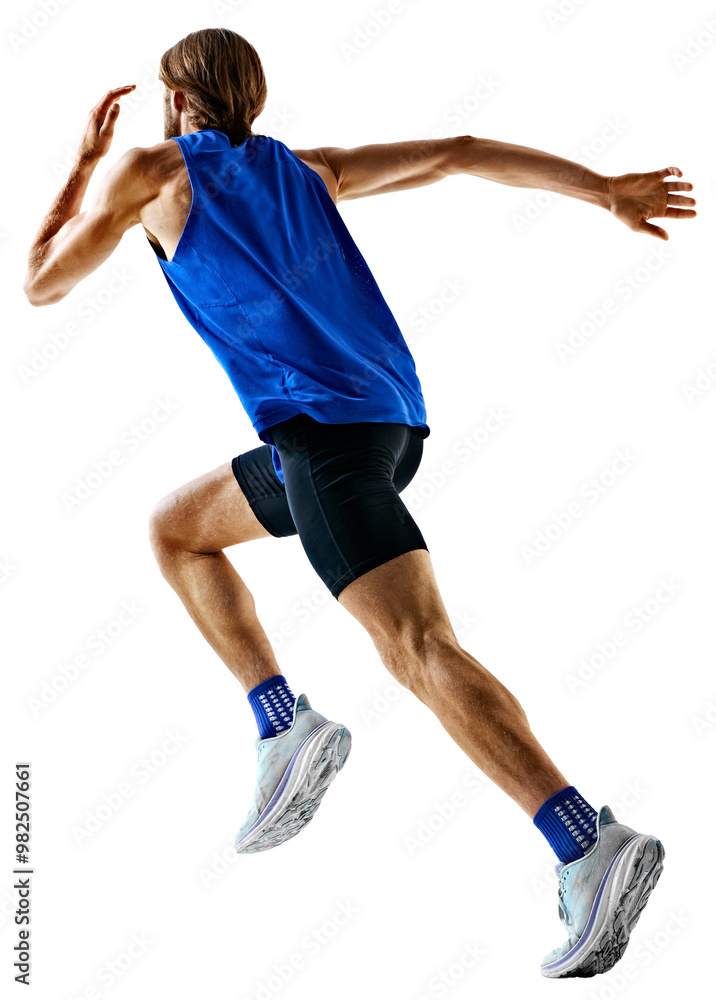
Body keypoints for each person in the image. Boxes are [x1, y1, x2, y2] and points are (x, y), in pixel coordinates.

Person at [23, 27, 696, 979]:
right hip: (386, 432)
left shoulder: (150, 172)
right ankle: (282, 722)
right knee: (178, 529)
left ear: (176, 100)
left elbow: (40, 284)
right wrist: (604, 189)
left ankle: (584, 841)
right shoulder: (310, 171)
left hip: (323, 446)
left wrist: (83, 164)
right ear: (253, 97)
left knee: (419, 647)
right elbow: (459, 152)